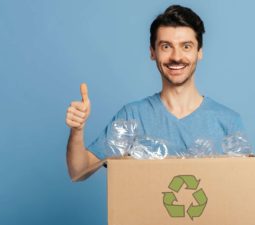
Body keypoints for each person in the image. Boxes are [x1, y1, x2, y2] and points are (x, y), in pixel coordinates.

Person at [65, 5, 245, 181]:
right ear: (153, 52)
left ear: (199, 52)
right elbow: (78, 171)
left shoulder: (227, 122)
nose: (176, 57)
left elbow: (240, 191)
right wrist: (77, 130)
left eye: (186, 46)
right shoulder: (132, 117)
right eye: (166, 46)